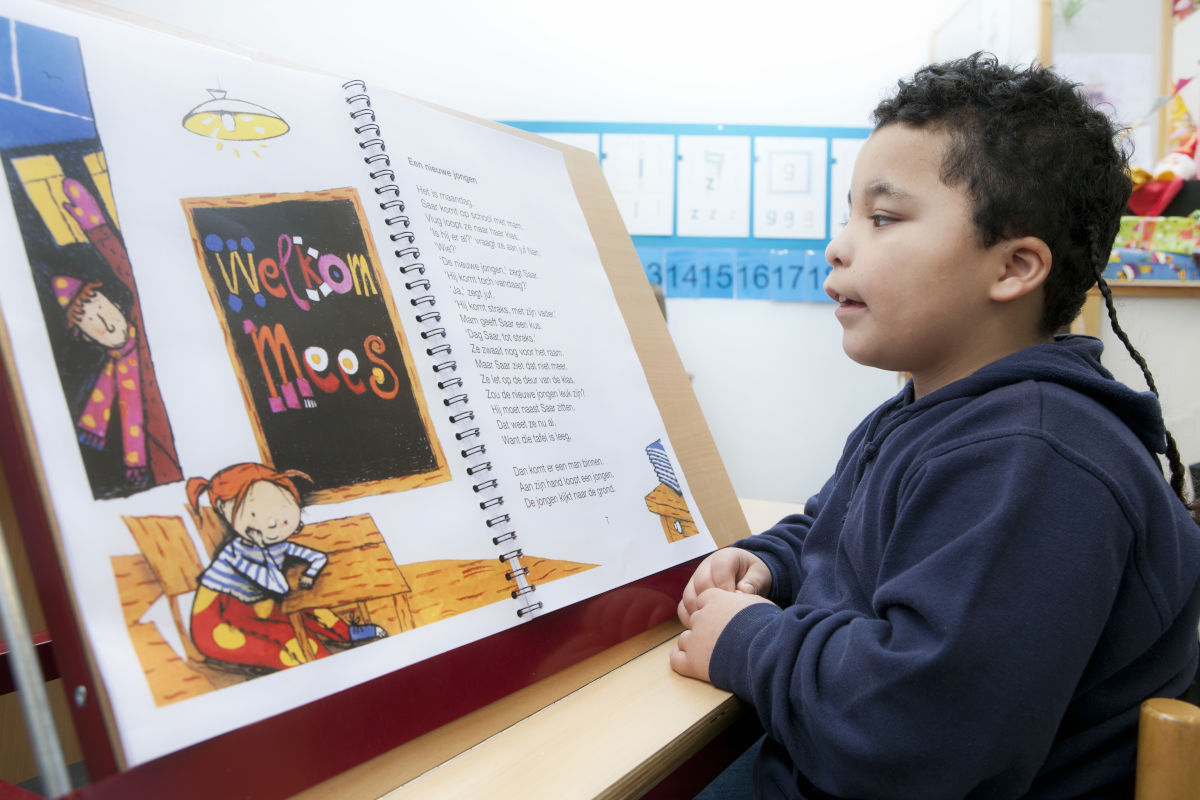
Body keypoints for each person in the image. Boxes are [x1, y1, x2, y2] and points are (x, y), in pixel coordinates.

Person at [671, 53, 1200, 799]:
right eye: (850, 214)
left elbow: (909, 736)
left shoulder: (1035, 458)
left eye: (883, 218)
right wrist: (770, 565)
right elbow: (837, 533)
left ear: (1015, 267)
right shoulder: (924, 412)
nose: (840, 244)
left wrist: (748, 642)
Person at [188, 462, 386, 672]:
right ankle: (329, 671)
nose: (274, 521)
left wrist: (308, 572)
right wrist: (264, 551)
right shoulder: (234, 555)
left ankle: (346, 633)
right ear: (225, 512)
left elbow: (314, 557)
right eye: (255, 514)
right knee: (292, 644)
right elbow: (278, 586)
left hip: (257, 608)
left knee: (307, 606)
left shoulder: (279, 545)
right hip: (216, 622)